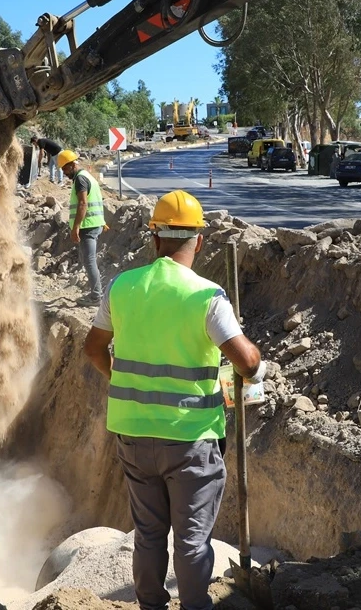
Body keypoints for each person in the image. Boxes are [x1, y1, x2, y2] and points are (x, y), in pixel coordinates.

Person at [83, 190, 265, 610]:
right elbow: (246, 360)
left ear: (154, 237)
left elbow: (94, 349)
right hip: (190, 441)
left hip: (133, 435)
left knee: (148, 534)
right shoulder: (206, 296)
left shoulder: (121, 287)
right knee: (191, 541)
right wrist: (257, 371)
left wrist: (126, 383)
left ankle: (151, 606)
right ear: (198, 241)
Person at [58, 150, 104, 306]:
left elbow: (83, 203)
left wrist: (75, 227)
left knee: (89, 260)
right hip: (93, 224)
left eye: (65, 169)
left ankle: (96, 296)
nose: (64, 173)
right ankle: (96, 294)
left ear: (72, 165)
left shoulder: (80, 179)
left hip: (88, 226)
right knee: (87, 259)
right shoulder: (87, 176)